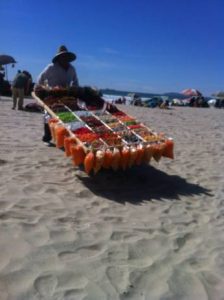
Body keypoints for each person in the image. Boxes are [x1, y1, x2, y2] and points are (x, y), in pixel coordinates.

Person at [35, 45, 79, 144]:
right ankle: (47, 138)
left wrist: (75, 92)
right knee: (48, 116)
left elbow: (75, 82)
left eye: (66, 57)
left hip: (65, 95)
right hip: (51, 94)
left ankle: (63, 138)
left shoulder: (72, 69)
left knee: (66, 115)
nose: (64, 59)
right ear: (58, 58)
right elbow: (40, 79)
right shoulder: (51, 67)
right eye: (62, 57)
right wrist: (40, 90)